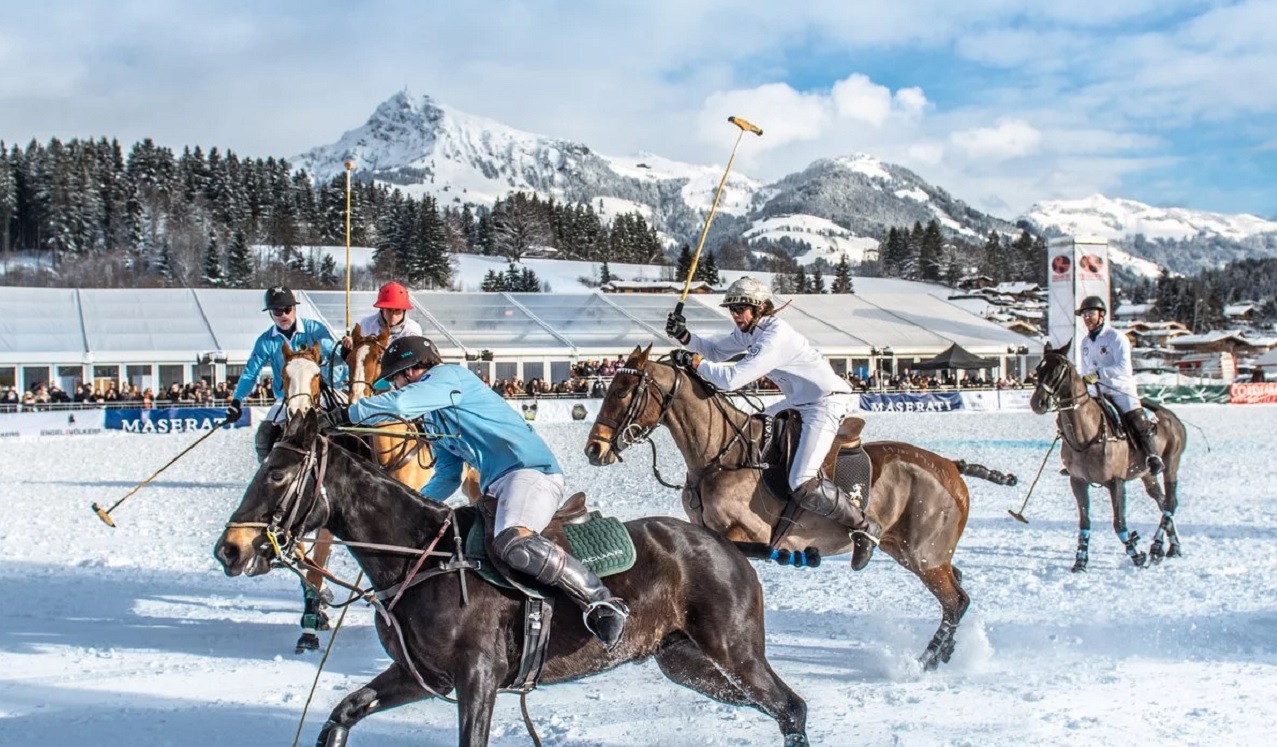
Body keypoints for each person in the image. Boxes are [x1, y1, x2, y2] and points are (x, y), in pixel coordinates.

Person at [323, 336, 630, 650]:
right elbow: (448, 475)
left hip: (530, 471)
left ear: (412, 369)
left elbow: (401, 404)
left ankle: (601, 601)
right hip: (496, 487)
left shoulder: (448, 377)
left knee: (514, 542)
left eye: (395, 379)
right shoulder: (434, 417)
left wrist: (346, 415)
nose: (394, 387)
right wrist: (409, 509)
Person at [665, 276, 880, 570]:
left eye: (740, 309)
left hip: (824, 402)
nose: (735, 314)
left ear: (760, 308)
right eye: (732, 309)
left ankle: (864, 527)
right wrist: (685, 336)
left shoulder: (775, 336)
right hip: (797, 401)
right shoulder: (750, 331)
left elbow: (732, 379)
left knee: (801, 481)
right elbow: (716, 352)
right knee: (751, 427)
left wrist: (695, 363)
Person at [224, 287, 342, 461]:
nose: (283, 315)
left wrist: (342, 350)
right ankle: (266, 473)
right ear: (270, 314)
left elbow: (335, 355)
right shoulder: (266, 341)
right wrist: (236, 401)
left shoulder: (314, 329)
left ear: (294, 308)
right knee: (264, 436)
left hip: (320, 395)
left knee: (346, 426)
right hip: (286, 399)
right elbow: (250, 373)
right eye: (277, 312)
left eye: (287, 309)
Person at [1076, 295, 1164, 474]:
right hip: (1095, 392)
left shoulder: (1116, 337)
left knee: (1136, 419)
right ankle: (1076, 459)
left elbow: (1123, 367)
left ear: (1101, 315)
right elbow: (1085, 370)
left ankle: (1152, 456)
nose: (1087, 318)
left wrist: (1099, 374)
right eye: (1084, 315)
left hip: (1120, 389)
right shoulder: (1084, 343)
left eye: (1090, 313)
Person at [340, 281, 423, 351]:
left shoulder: (412, 330)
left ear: (404, 310)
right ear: (382, 308)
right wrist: (350, 341)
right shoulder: (367, 324)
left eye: (398, 310)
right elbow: (357, 349)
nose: (393, 315)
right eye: (389, 310)